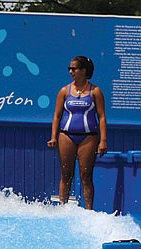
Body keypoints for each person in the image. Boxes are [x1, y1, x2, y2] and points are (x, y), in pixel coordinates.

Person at [47, 55, 108, 210]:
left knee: (86, 176)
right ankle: (63, 208)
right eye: (70, 68)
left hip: (88, 138)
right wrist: (53, 137)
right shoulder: (64, 91)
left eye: (74, 68)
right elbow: (57, 115)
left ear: (84, 71)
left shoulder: (95, 91)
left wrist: (103, 140)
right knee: (66, 175)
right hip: (66, 136)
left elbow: (101, 117)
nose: (71, 71)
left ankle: (88, 211)